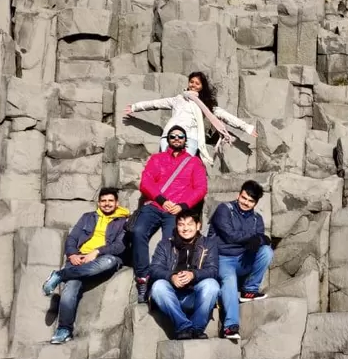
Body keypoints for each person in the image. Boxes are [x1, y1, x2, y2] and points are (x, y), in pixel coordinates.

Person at [42, 188, 130, 344]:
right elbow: (72, 238)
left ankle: (60, 275)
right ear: (99, 203)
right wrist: (72, 255)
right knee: (70, 289)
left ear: (117, 203)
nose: (107, 204)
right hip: (79, 258)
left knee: (108, 262)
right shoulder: (87, 217)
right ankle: (64, 330)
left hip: (104, 257)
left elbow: (119, 247)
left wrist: (97, 252)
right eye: (103, 201)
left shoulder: (123, 222)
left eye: (110, 201)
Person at [132, 126, 208, 303]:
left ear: (185, 140)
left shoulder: (194, 162)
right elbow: (146, 182)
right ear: (168, 139)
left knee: (170, 241)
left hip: (176, 209)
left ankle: (163, 280)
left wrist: (182, 205)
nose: (176, 139)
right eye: (172, 136)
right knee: (138, 231)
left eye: (180, 136)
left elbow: (201, 188)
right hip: (156, 205)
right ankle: (143, 278)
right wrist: (160, 199)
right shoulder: (157, 159)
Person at [123, 71, 256, 165]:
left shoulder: (207, 106)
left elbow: (227, 117)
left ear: (202, 86)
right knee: (166, 165)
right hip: (170, 135)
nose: (193, 85)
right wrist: (135, 107)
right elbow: (155, 104)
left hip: (190, 139)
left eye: (197, 83)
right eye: (191, 82)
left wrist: (247, 127)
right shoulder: (178, 99)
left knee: (184, 167)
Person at [209, 180, 273, 340]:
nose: (245, 202)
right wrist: (254, 238)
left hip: (242, 260)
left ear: (255, 203)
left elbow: (262, 240)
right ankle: (230, 326)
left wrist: (260, 240)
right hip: (223, 258)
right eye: (244, 198)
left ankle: (249, 290)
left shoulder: (257, 219)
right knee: (229, 280)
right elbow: (229, 235)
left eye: (250, 201)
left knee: (266, 251)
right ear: (239, 194)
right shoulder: (224, 209)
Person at [148, 212, 222, 340]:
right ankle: (183, 327)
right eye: (181, 224)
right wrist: (171, 277)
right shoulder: (165, 244)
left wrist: (193, 274)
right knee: (158, 286)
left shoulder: (209, 244)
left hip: (195, 295)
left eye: (189, 224)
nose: (185, 228)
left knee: (212, 285)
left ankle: (197, 329)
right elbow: (154, 269)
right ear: (177, 226)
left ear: (198, 226)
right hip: (171, 297)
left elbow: (213, 270)